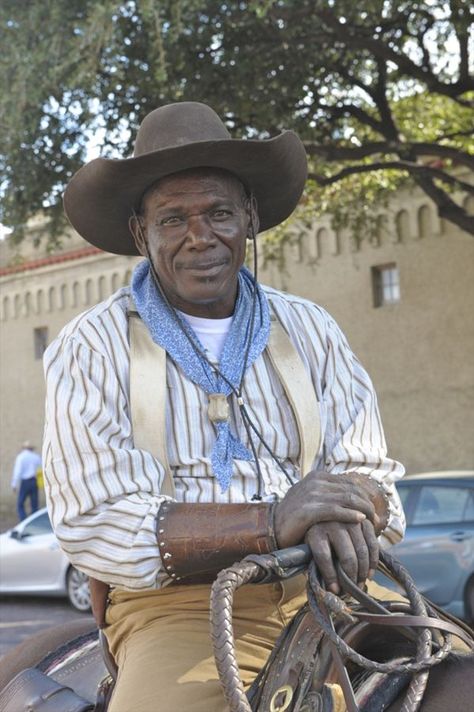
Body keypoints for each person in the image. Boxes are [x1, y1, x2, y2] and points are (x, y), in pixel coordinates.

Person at [43, 102, 405, 712]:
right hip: (178, 605)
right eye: (172, 219)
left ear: (250, 219)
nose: (199, 237)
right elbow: (97, 518)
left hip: (332, 585)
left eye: (218, 213)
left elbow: (373, 475)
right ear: (141, 233)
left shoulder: (311, 328)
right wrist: (272, 521)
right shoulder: (92, 346)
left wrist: (350, 506)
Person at [11, 441, 41, 521]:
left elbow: (17, 471)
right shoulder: (36, 457)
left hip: (25, 482)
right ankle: (34, 521)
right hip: (34, 481)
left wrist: (14, 484)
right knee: (34, 504)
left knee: (20, 503)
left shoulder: (21, 457)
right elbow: (40, 470)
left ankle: (23, 520)